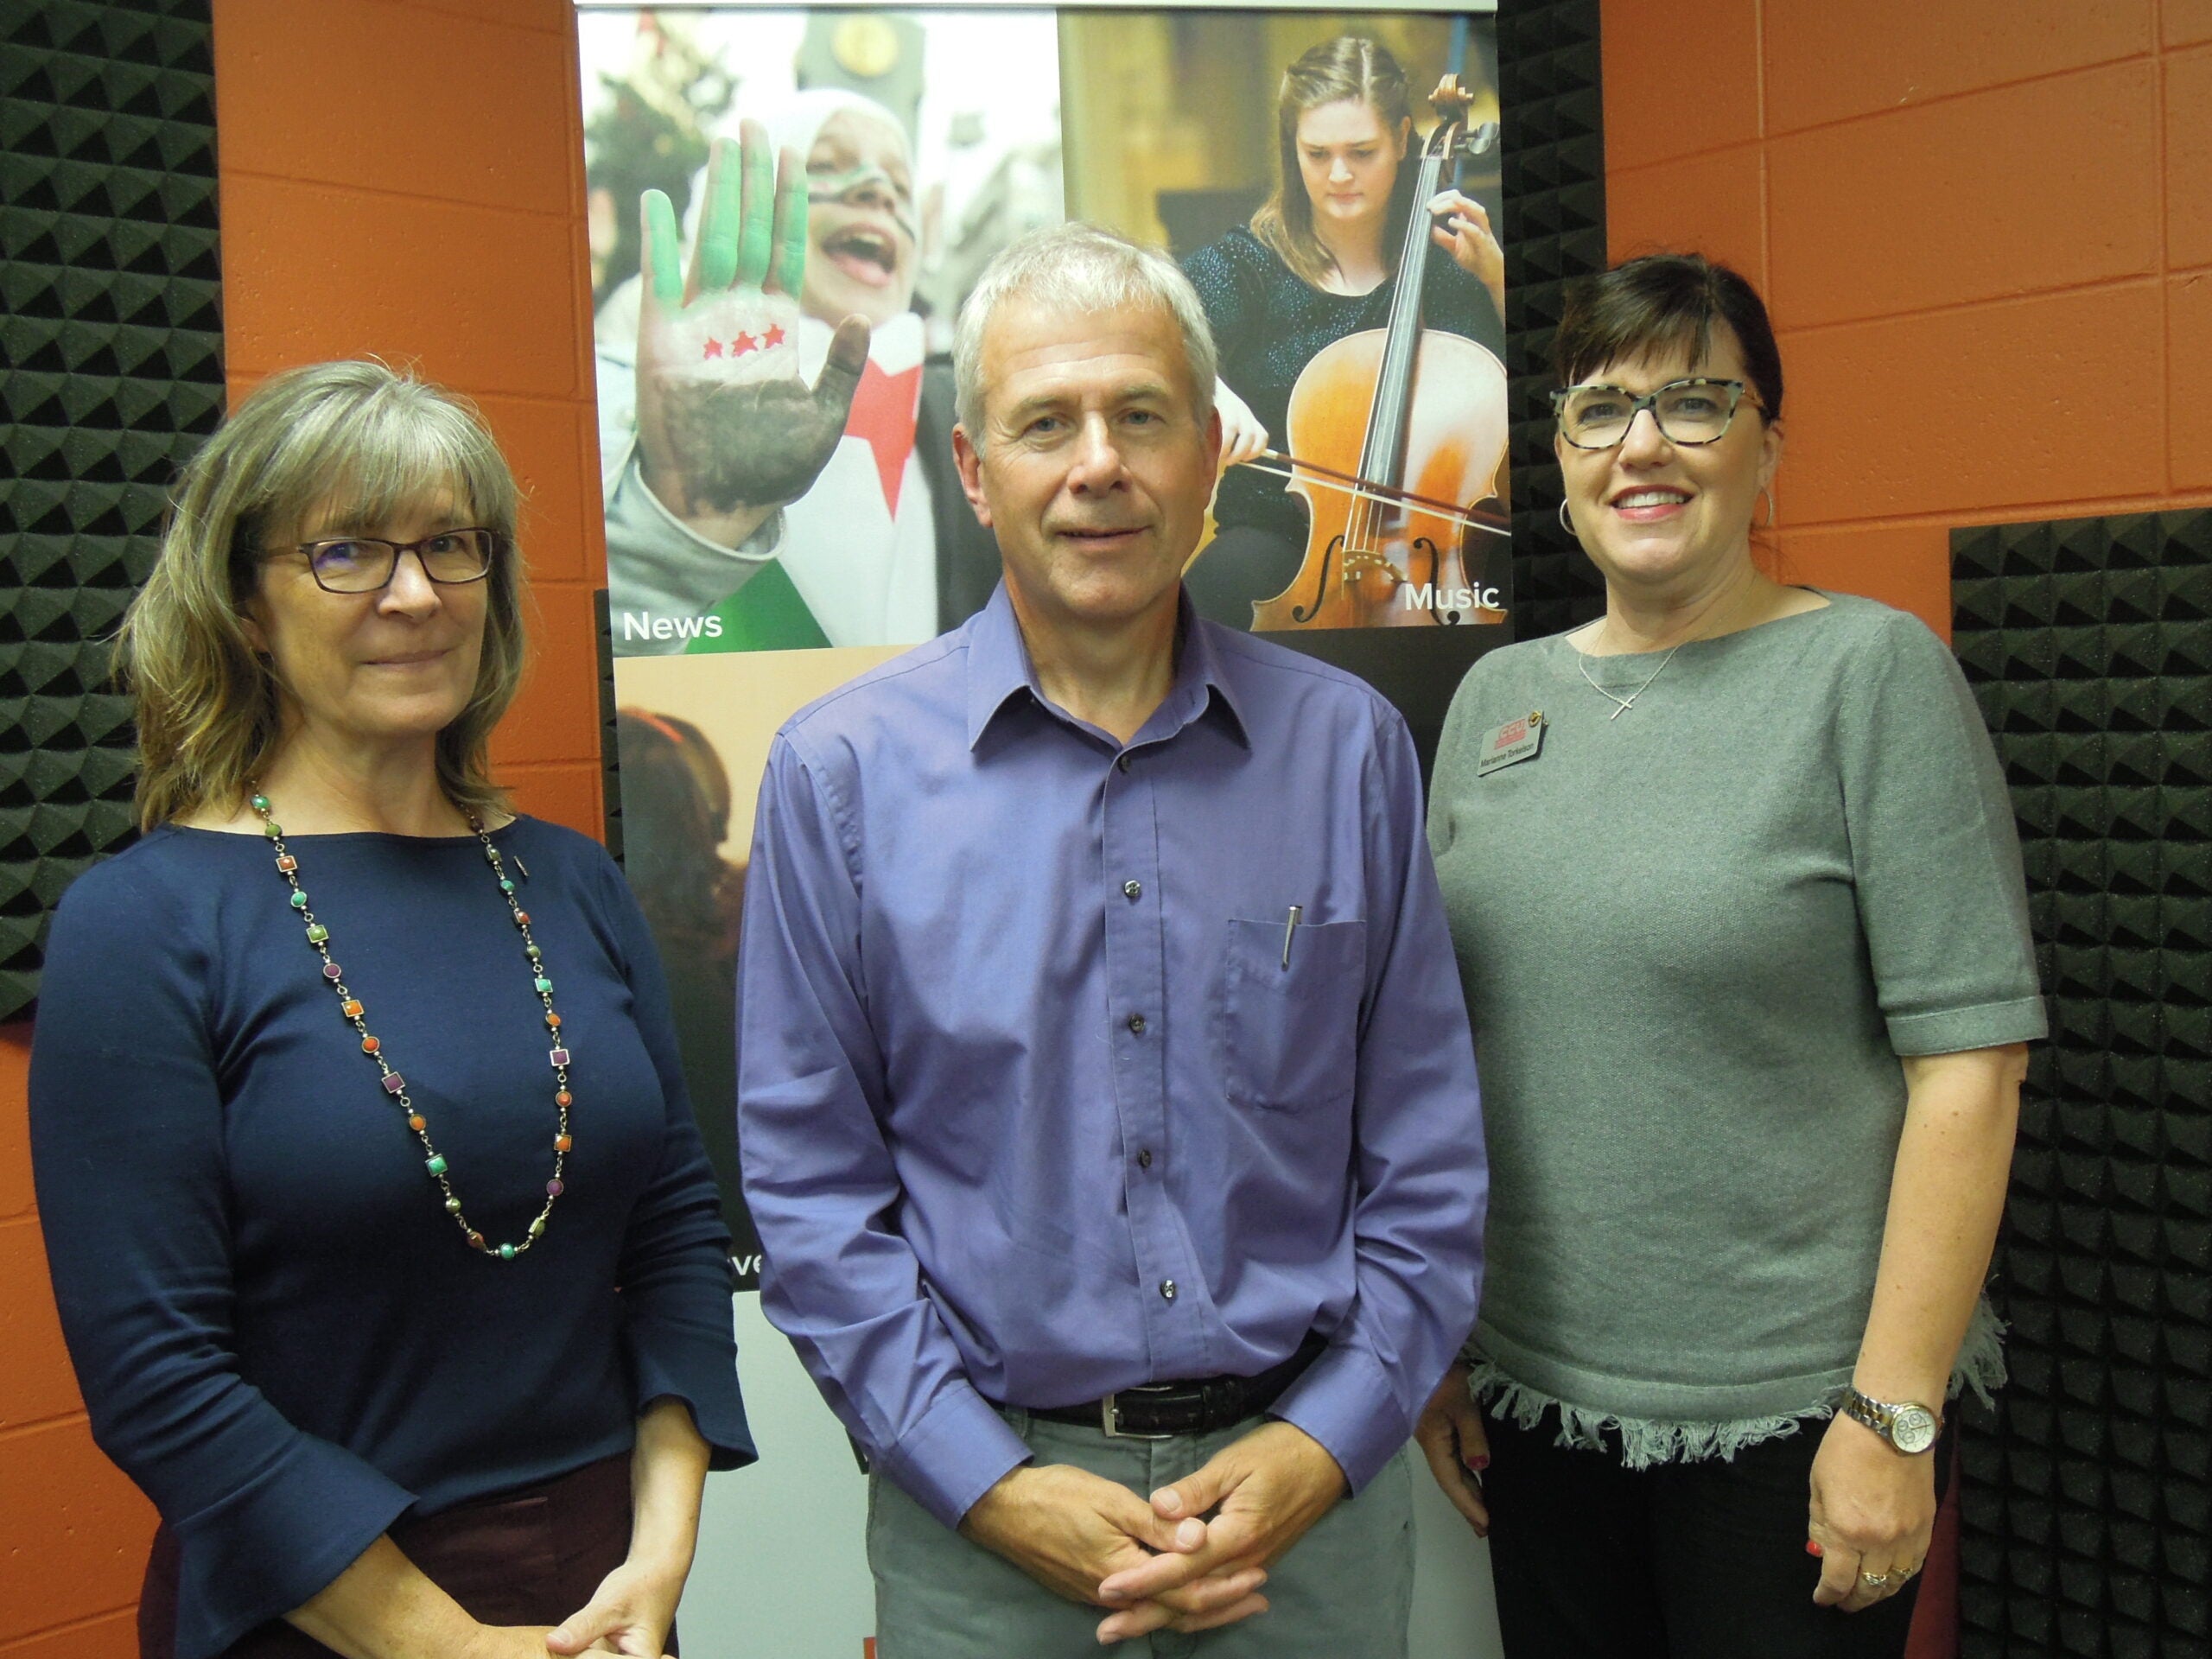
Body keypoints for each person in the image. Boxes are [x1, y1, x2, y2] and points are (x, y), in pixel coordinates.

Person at [737, 223, 1485, 1656]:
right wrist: (992, 1484)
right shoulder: (839, 779)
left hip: (1304, 1533)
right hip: (987, 1542)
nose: (1098, 465)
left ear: (1212, 453)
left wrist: (1327, 1444)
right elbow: (814, 1197)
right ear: (974, 469)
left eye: (1141, 415)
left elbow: (1429, 1163)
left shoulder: (1349, 755)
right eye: (1045, 423)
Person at [30, 363, 753, 1659]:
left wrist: (661, 1549)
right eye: (348, 550)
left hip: (607, 1594)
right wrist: (452, 1646)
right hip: (312, 1602)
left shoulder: (574, 881)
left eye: (450, 547)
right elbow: (159, 1383)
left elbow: (678, 1226)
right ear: (247, 605)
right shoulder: (143, 926)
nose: (414, 594)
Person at [1416, 253, 2044, 1657]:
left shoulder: (1871, 679)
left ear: (1769, 443)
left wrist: (1893, 1414)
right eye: (1600, 409)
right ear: (1562, 454)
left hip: (1791, 1421)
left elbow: (1972, 1071)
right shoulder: (1496, 702)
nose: (1642, 444)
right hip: (1537, 1406)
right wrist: (1445, 1341)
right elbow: (1455, 1059)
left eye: (1694, 402)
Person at [596, 92, 997, 652]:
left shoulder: (971, 422)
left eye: (899, 186)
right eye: (826, 164)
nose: (875, 190)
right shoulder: (611, 399)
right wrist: (676, 531)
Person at [1179, 35, 1507, 628]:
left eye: (1362, 152)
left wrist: (1503, 289)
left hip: (1425, 552)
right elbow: (1157, 323)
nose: (1338, 174)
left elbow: (1516, 411)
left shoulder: (1443, 268)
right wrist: (1213, 391)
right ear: (1292, 150)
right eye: (1317, 153)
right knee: (1216, 588)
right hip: (1277, 542)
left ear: (1404, 139)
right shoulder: (1252, 265)